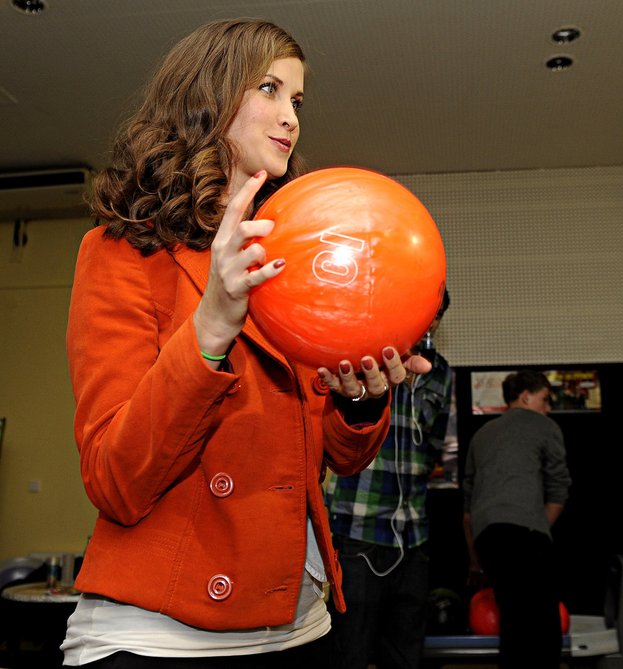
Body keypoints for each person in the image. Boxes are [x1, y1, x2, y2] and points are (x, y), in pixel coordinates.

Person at [60, 18, 432, 668]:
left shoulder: (295, 257)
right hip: (159, 635)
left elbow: (330, 460)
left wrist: (357, 404)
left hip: (299, 624)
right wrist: (210, 326)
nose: (291, 117)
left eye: (298, 100)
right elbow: (116, 480)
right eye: (269, 89)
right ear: (207, 96)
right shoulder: (121, 252)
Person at [323, 291, 453, 669]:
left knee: (405, 653)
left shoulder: (440, 373)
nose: (429, 324)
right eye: (423, 313)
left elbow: (434, 446)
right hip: (356, 529)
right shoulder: (362, 359)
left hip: (413, 536)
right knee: (351, 651)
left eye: (436, 317)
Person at [462, 370, 572, 669]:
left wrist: (474, 560)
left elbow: (468, 506)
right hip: (526, 532)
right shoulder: (544, 425)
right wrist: (539, 527)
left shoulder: (481, 434)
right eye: (545, 399)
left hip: (487, 537)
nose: (548, 407)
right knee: (543, 623)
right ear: (526, 396)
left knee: (512, 616)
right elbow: (559, 487)